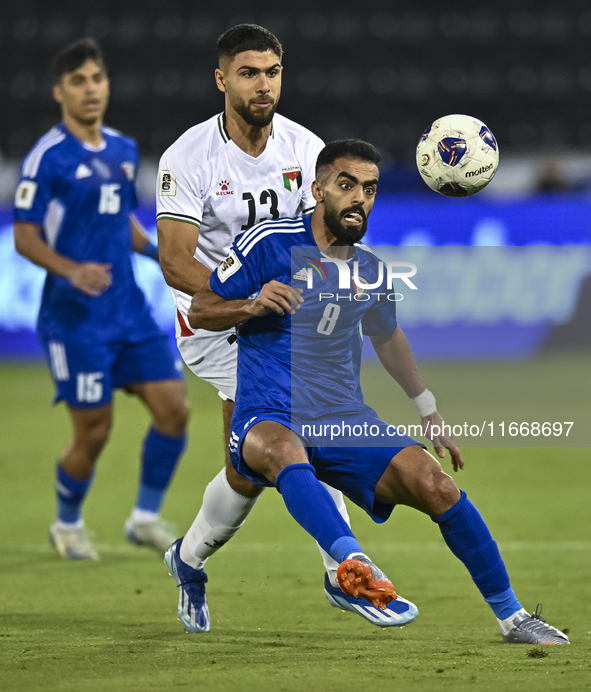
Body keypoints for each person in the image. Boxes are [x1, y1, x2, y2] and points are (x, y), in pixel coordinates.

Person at [179, 139, 570, 645]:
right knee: (282, 451)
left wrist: (428, 410)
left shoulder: (369, 269)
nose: (359, 198)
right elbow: (201, 309)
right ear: (318, 190)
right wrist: (252, 304)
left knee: (438, 486)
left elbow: (386, 335)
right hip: (268, 413)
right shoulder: (268, 243)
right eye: (346, 185)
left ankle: (514, 617)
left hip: (343, 419)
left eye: (369, 188)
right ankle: (351, 567)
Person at [157, 24, 391, 633]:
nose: (264, 86)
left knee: (264, 457)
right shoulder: (188, 158)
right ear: (222, 79)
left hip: (289, 315)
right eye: (249, 73)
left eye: (273, 73)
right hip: (214, 320)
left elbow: (334, 230)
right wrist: (243, 296)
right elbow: (176, 261)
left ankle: (196, 559)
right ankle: (337, 568)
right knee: (279, 443)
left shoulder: (305, 149)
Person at [13, 38, 189, 560]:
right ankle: (67, 525)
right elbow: (24, 236)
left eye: (97, 79)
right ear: (59, 92)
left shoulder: (122, 149)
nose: (90, 90)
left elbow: (122, 223)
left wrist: (161, 255)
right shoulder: (48, 157)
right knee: (95, 430)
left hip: (129, 312)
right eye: (78, 82)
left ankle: (144, 518)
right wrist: (72, 270)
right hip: (75, 320)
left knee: (174, 411)